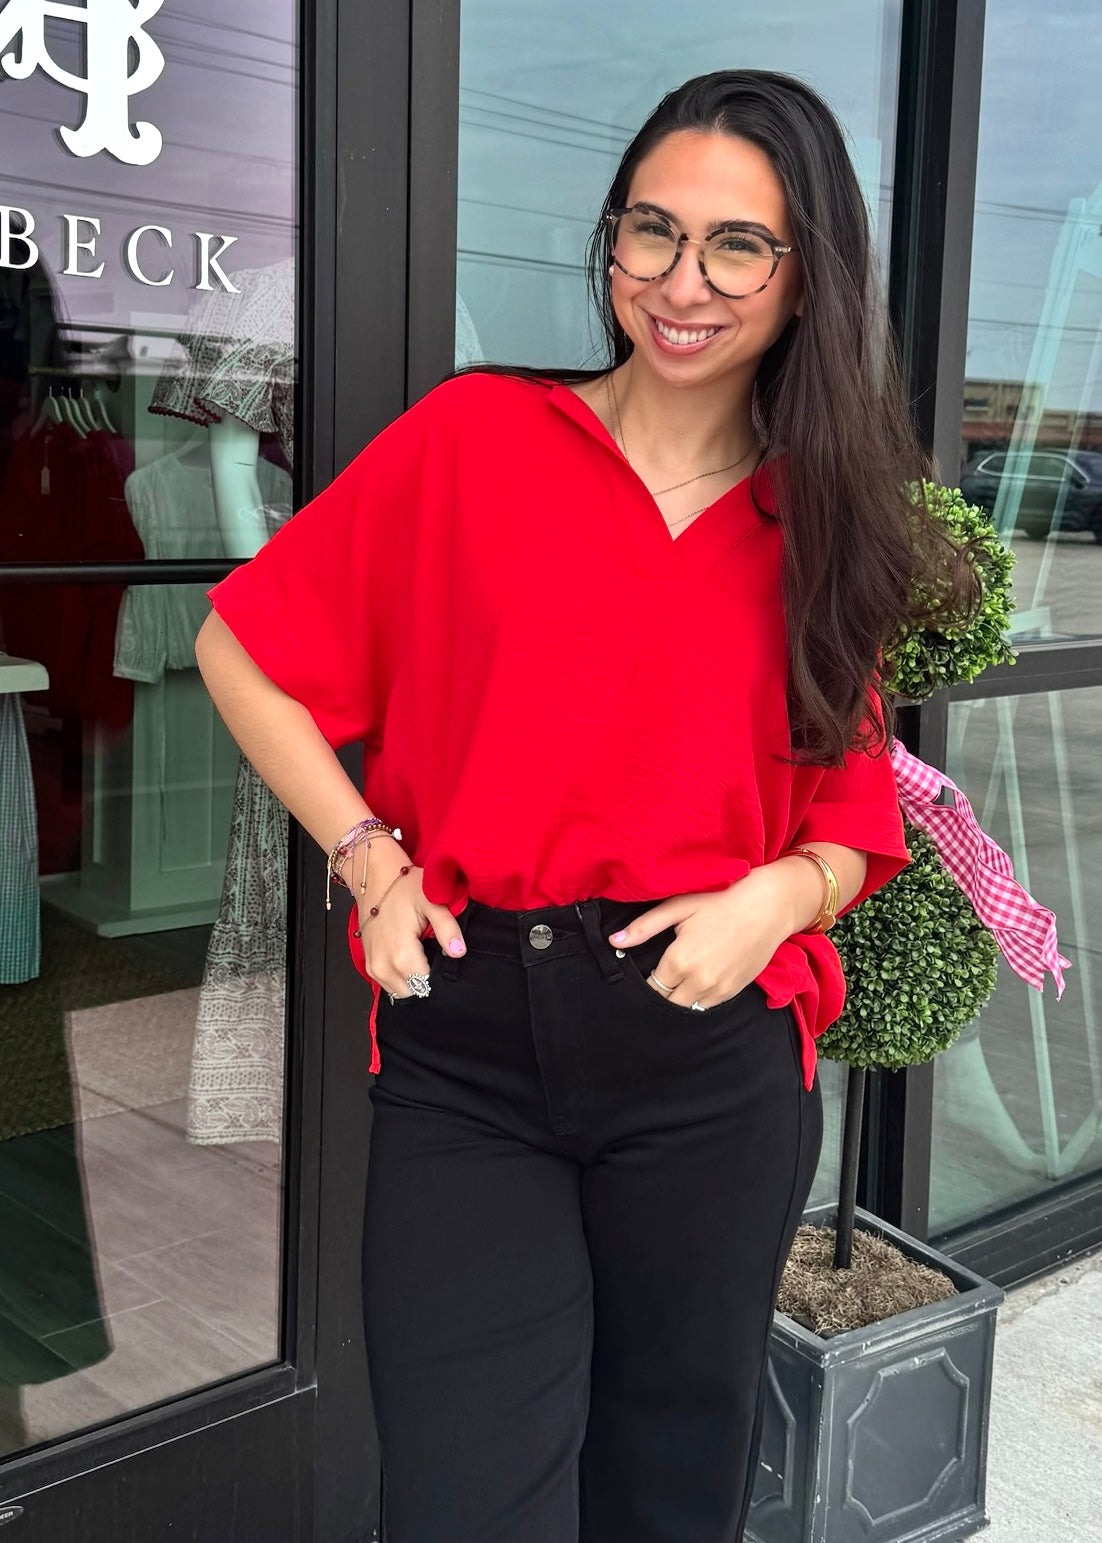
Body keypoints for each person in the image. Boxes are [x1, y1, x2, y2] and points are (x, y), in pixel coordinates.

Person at [195, 68, 976, 1543]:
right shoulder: (475, 441)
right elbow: (243, 648)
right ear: (610, 239)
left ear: (808, 277)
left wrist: (772, 901)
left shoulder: (821, 519)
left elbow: (854, 816)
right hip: (470, 1050)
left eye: (738, 246)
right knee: (461, 1500)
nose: (682, 283)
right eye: (652, 231)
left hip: (708, 1059)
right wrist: (366, 857)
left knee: (666, 1493)